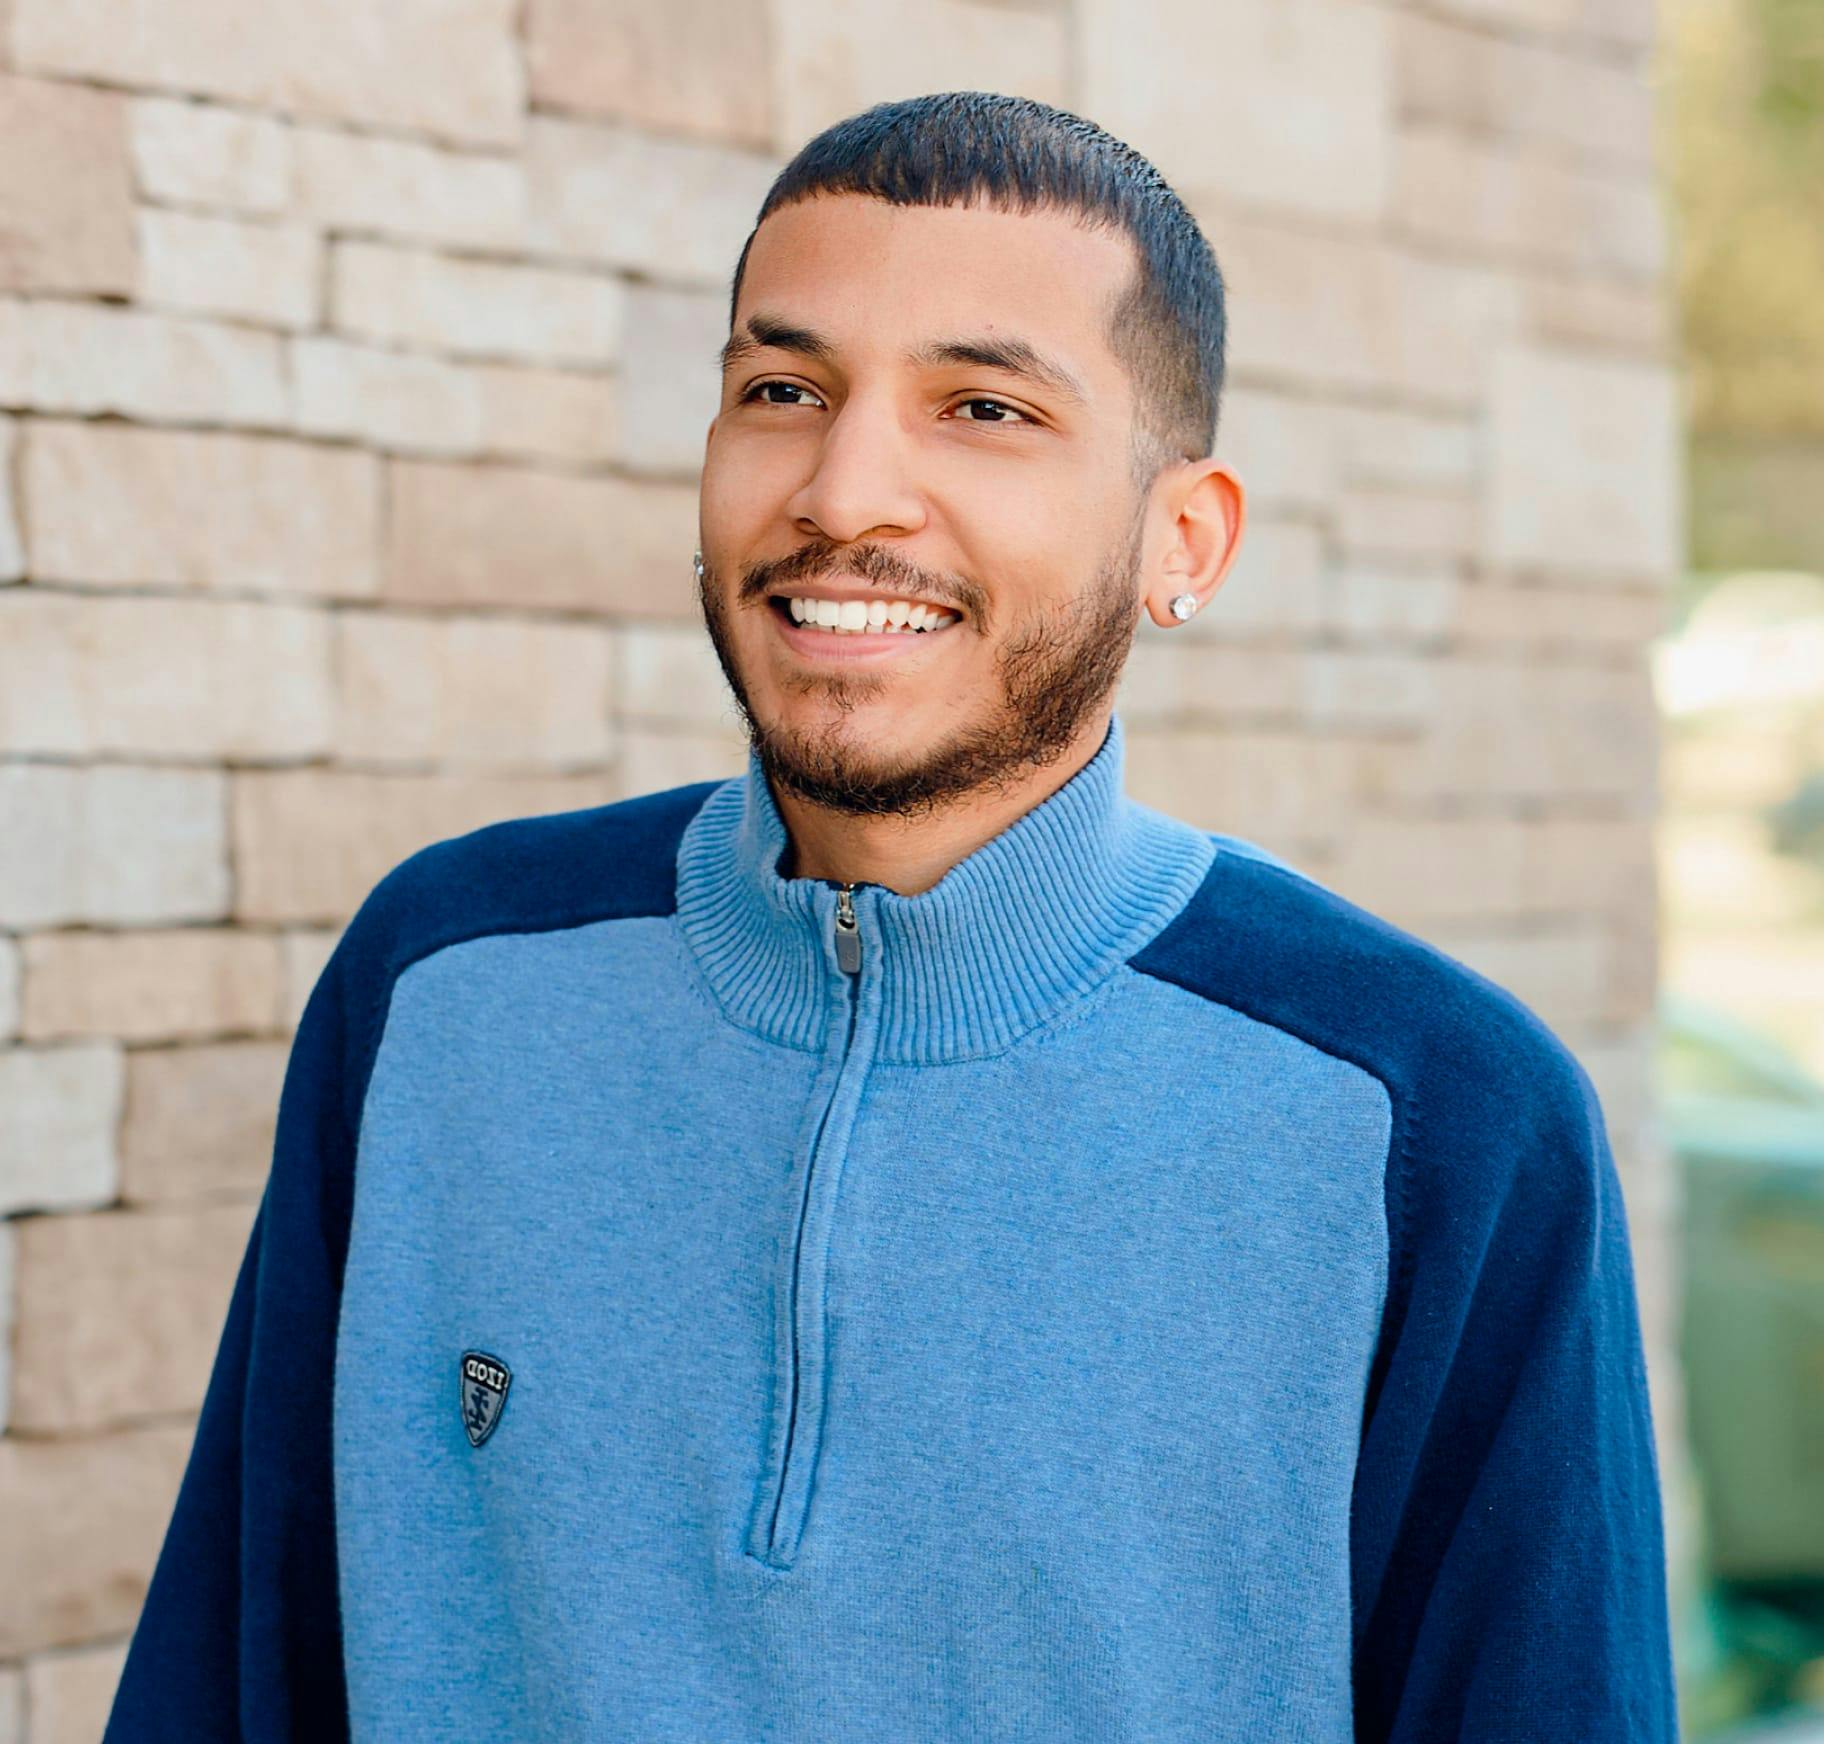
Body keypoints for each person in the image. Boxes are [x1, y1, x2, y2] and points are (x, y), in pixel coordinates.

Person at [104, 91, 1679, 1742]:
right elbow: (235, 1678)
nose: (846, 489)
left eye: (984, 408)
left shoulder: (1437, 1122)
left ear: (1183, 538)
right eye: (780, 391)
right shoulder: (442, 983)